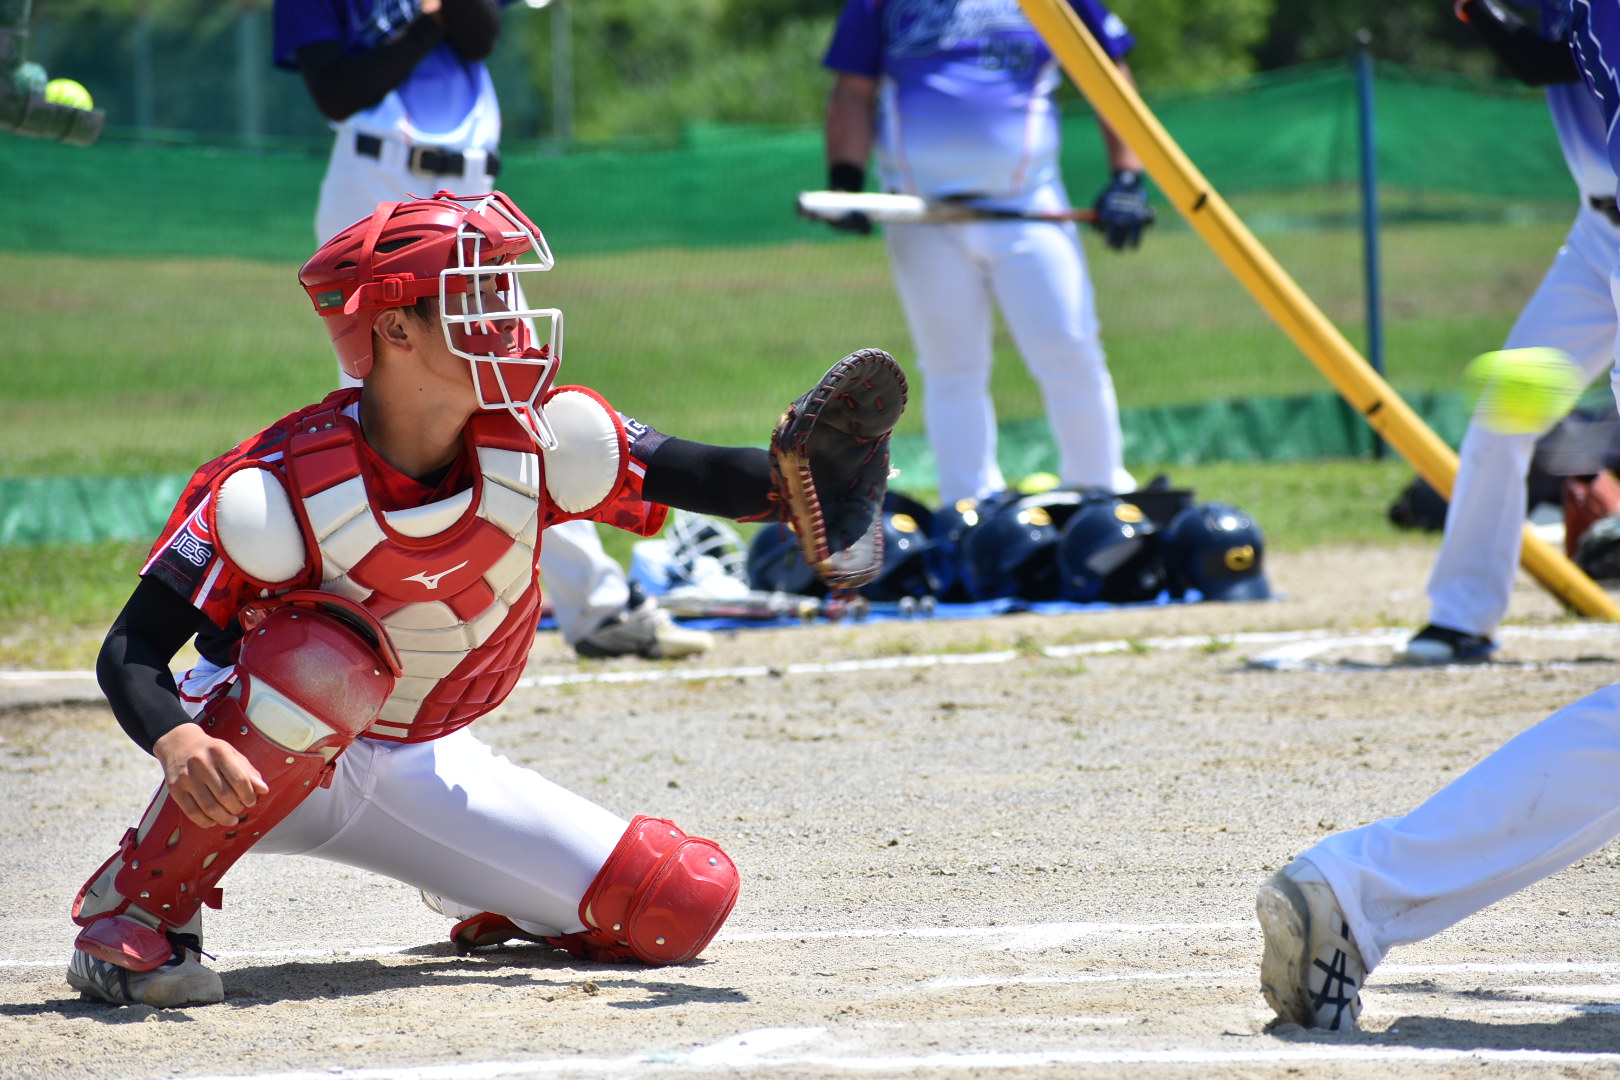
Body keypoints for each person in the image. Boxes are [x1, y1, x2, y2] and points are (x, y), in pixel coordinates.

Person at [64, 190, 906, 1007]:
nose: (506, 316)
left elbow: (697, 471)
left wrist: (798, 481)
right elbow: (130, 650)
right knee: (319, 660)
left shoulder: (541, 436)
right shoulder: (275, 481)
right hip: (254, 760)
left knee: (680, 902)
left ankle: (475, 883)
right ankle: (135, 911)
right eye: (475, 294)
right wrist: (176, 740)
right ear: (394, 326)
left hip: (417, 754)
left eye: (504, 289)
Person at [1258, 2, 1620, 1029]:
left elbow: (1545, 41)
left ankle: (1358, 896)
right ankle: (1361, 891)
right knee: (1494, 429)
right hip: (1603, 238)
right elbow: (1544, 45)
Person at [271, 0, 711, 660]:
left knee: (514, 392)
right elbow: (337, 90)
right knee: (387, 409)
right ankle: (370, 614)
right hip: (375, 187)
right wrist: (425, 22)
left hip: (472, 199)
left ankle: (596, 607)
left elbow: (479, 37)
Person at [819, 0, 1153, 507]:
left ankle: (1101, 494)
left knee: (1070, 349)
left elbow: (1110, 74)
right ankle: (968, 506)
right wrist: (845, 179)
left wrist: (1128, 176)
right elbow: (853, 89)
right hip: (921, 213)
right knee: (951, 365)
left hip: (1027, 207)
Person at [1398, 0, 1620, 666]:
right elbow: (1552, 60)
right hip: (1595, 238)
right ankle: (1461, 615)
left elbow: (1535, 62)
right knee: (1502, 414)